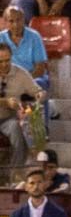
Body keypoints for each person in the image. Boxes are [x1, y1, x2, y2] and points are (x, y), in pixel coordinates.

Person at [0, 43, 42, 173]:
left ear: (12, 58)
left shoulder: (20, 73)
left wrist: (39, 95)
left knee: (17, 127)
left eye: (7, 60)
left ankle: (16, 172)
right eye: (0, 61)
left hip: (7, 119)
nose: (4, 64)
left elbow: (37, 91)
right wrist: (6, 102)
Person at [1, 6, 49, 94]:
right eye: (11, 21)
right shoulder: (1, 37)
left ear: (24, 20)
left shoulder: (34, 36)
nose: (15, 24)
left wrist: (23, 81)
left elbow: (40, 68)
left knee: (39, 84)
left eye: (18, 20)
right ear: (5, 22)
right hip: (6, 77)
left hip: (32, 76)